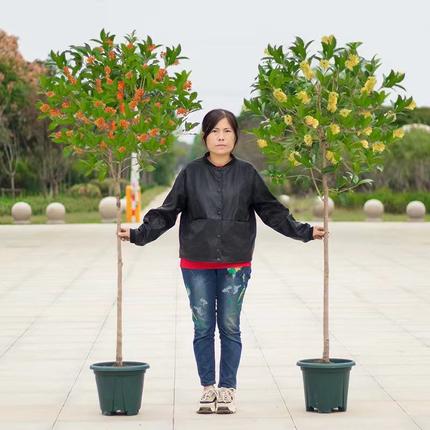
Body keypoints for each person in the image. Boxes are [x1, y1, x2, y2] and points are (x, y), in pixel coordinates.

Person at [118, 109, 326, 414]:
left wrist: (305, 231)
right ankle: (208, 388)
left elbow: (272, 211)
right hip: (196, 262)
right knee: (203, 327)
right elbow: (167, 211)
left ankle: (227, 388)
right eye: (215, 131)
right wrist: (138, 235)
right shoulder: (190, 173)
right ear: (205, 137)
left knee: (230, 326)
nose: (221, 137)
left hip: (235, 263)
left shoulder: (247, 174)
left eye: (227, 131)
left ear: (235, 137)